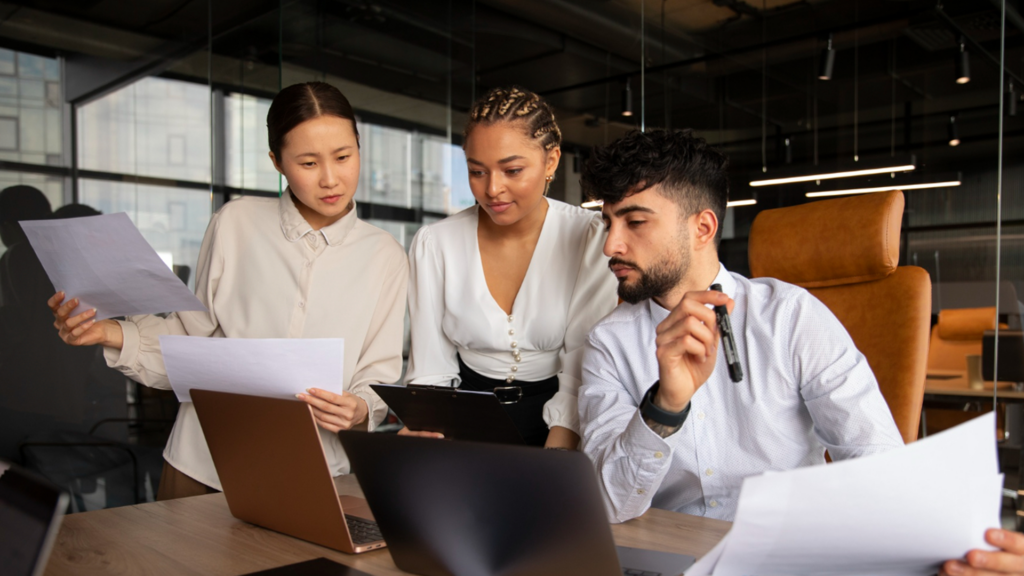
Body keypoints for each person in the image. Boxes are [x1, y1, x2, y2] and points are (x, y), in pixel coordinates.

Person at [576, 128, 1024, 576]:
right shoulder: (607, 342)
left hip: (787, 560)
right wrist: (665, 406)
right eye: (607, 222)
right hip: (665, 562)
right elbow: (610, 504)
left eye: (634, 222)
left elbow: (877, 465)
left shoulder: (791, 317)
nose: (611, 245)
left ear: (703, 228)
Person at [48, 82, 409, 499]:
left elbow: (379, 374)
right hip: (202, 463)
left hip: (312, 472)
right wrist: (109, 332)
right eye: (308, 163)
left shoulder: (386, 255)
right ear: (277, 162)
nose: (331, 179)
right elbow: (191, 340)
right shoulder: (234, 223)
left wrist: (361, 407)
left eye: (344, 157)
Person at [402, 86, 618, 448]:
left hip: (564, 421)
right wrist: (429, 432)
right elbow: (430, 366)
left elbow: (583, 363)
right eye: (477, 172)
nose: (492, 189)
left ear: (551, 162)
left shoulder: (591, 237)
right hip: (463, 424)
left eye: (512, 170)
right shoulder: (434, 243)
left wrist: (556, 456)